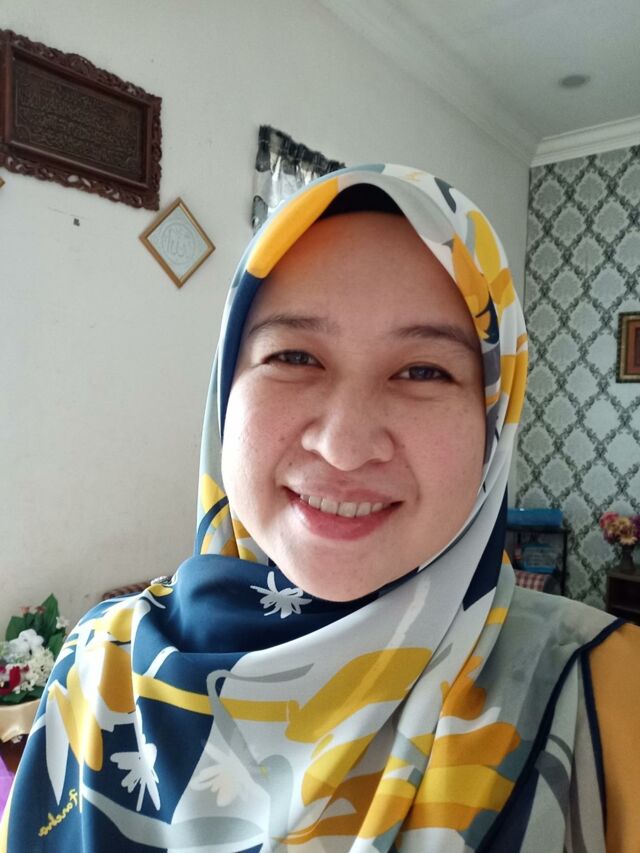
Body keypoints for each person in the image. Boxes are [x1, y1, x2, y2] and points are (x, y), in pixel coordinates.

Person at [1, 164, 638, 852]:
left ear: (493, 424)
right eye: (295, 356)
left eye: (423, 370)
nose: (344, 445)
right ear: (225, 392)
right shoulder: (101, 666)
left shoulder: (600, 694)